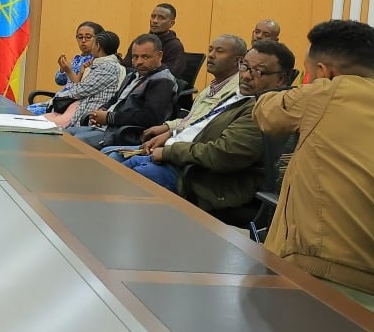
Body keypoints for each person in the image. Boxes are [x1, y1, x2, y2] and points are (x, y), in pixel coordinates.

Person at [254, 20, 374, 307]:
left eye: (307, 73)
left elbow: (265, 112)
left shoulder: (323, 93)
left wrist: (308, 88)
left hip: (324, 282)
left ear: (324, 72)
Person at [122, 41, 295, 219]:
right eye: (244, 67)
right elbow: (199, 124)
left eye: (258, 71)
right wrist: (170, 135)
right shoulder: (241, 97)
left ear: (281, 79)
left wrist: (169, 151)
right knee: (117, 166)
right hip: (184, 160)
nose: (246, 76)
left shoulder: (263, 110)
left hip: (202, 181)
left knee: (126, 183)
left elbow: (223, 153)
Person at [102, 35, 246, 161]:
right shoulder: (212, 86)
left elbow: (204, 127)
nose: (211, 55)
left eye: (219, 51)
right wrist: (167, 127)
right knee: (109, 155)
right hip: (173, 140)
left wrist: (170, 134)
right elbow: (191, 118)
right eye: (210, 50)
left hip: (186, 150)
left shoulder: (238, 92)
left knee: (112, 157)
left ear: (238, 61)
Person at [66, 34, 175, 148]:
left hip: (126, 134)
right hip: (107, 127)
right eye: (135, 57)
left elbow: (150, 118)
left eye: (145, 57)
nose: (139, 62)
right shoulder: (133, 75)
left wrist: (109, 118)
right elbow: (115, 98)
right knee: (65, 134)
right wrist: (102, 110)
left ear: (159, 55)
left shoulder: (163, 81)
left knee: (73, 143)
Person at [40, 31, 124, 129]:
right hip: (75, 109)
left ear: (98, 46)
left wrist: (70, 71)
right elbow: (63, 82)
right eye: (80, 37)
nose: (83, 41)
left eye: (89, 38)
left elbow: (78, 91)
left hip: (87, 117)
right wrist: (80, 72)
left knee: (42, 124)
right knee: (39, 120)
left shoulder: (108, 67)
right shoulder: (96, 64)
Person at [148, 3, 187, 78]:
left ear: (171, 23)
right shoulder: (141, 41)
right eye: (153, 16)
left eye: (161, 18)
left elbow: (170, 74)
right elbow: (126, 66)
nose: (155, 21)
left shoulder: (175, 46)